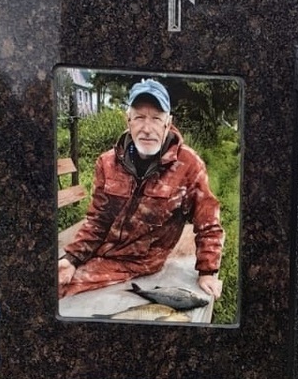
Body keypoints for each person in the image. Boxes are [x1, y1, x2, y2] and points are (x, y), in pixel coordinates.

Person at [57, 79, 223, 304]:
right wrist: (72, 258)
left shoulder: (189, 165)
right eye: (139, 117)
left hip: (137, 262)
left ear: (168, 123)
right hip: (99, 250)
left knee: (58, 291)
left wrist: (208, 271)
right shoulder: (107, 162)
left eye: (156, 118)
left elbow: (208, 222)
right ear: (128, 120)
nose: (147, 128)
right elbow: (97, 221)